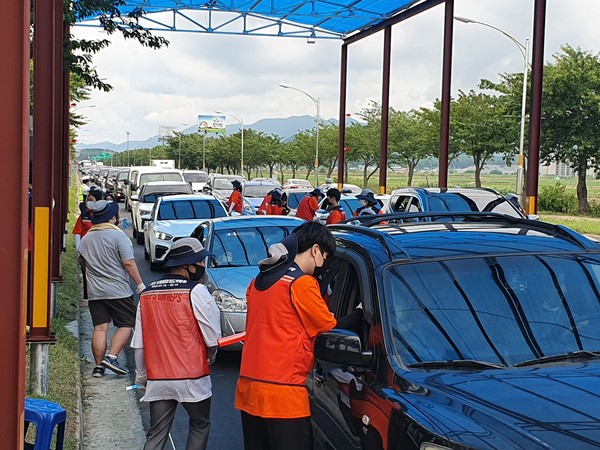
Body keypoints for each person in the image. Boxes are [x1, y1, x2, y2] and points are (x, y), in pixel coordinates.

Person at [235, 221, 338, 450]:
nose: (324, 264)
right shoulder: (301, 283)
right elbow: (328, 326)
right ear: (315, 250)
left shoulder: (258, 281)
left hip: (249, 392)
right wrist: (360, 312)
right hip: (283, 396)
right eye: (325, 256)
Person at [131, 238, 221, 450]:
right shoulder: (196, 291)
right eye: (199, 262)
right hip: (193, 378)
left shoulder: (147, 294)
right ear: (187, 266)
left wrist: (142, 375)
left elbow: (139, 342)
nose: (201, 266)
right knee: (199, 425)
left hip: (159, 378)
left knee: (157, 434)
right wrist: (211, 354)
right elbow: (212, 336)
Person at [78, 199, 145, 378]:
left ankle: (98, 367)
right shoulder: (118, 236)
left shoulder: (86, 239)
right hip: (119, 291)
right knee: (127, 323)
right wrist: (139, 284)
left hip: (95, 292)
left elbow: (83, 264)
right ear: (112, 218)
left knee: (100, 328)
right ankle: (112, 357)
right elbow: (129, 263)